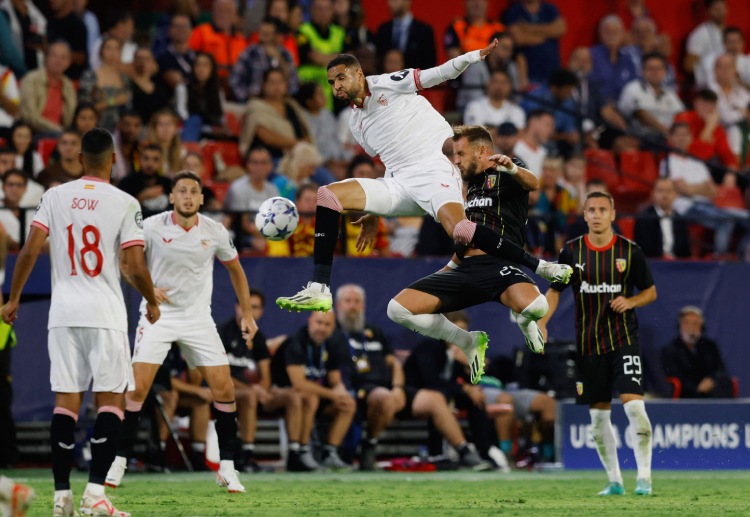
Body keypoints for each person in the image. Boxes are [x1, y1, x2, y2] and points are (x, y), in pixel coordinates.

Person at [275, 45, 572, 319]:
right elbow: (392, 162)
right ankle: (320, 287)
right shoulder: (355, 123)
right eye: (331, 82)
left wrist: (470, 57)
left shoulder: (387, 83)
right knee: (328, 195)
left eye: (341, 77)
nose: (336, 85)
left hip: (435, 171)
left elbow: (437, 75)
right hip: (401, 182)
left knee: (462, 231)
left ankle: (541, 266)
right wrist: (377, 212)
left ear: (359, 74)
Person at [1, 128, 160, 516]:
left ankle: (61, 498)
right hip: (104, 313)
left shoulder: (54, 196)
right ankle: (94, 496)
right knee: (110, 400)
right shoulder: (125, 202)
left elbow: (28, 251)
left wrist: (14, 298)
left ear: (78, 160)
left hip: (64, 313)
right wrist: (152, 300)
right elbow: (135, 265)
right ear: (112, 161)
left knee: (65, 403)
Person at [105, 170, 258, 493]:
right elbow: (124, 263)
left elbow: (237, 271)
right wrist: (148, 291)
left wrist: (247, 314)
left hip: (198, 318)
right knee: (137, 389)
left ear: (201, 198)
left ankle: (228, 468)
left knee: (225, 388)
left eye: (194, 191)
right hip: (158, 315)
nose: (188, 196)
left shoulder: (215, 231)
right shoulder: (150, 226)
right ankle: (118, 461)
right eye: (182, 191)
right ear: (171, 197)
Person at [388, 125, 557, 385]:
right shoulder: (467, 185)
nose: (456, 161)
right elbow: (467, 234)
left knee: (537, 307)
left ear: (481, 151)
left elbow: (534, 183)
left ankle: (527, 324)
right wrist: (449, 267)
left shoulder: (507, 168)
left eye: (460, 154)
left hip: (501, 265)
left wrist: (511, 168)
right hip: (467, 267)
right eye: (454, 155)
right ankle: (467, 340)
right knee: (397, 310)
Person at [538, 190, 657, 497]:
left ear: (613, 214)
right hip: (589, 345)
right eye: (591, 209)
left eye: (603, 209)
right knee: (598, 417)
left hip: (624, 341)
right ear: (585, 214)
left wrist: (630, 301)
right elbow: (554, 292)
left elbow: (650, 291)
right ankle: (615, 481)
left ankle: (644, 477)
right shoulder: (572, 252)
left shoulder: (630, 252)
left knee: (635, 410)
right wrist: (541, 321)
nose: (597, 214)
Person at [270, 310, 356, 470]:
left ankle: (329, 452)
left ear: (333, 327)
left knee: (348, 404)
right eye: (319, 322)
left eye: (327, 324)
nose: (322, 328)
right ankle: (301, 450)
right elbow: (298, 383)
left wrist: (340, 392)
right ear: (310, 321)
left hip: (312, 395)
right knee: (308, 397)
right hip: (281, 394)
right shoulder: (296, 341)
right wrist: (333, 395)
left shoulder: (331, 344)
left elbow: (334, 379)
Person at [334, 284, 405, 470]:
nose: (352, 306)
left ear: (363, 306)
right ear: (338, 305)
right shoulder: (331, 330)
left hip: (377, 387)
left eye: (357, 301)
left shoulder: (374, 332)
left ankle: (370, 443)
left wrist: (398, 387)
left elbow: (394, 363)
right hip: (349, 387)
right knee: (385, 398)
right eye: (347, 301)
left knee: (389, 399)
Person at [660, 305, 734, 399]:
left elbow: (720, 370)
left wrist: (711, 381)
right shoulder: (670, 349)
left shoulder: (710, 346)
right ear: (680, 326)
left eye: (695, 324)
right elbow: (673, 376)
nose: (690, 327)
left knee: (724, 384)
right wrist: (697, 388)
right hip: (686, 395)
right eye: (686, 323)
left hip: (711, 392)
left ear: (701, 327)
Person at [230, 16, 298, 104]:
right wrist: (247, 100)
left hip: (281, 104)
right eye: (261, 34)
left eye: (267, 35)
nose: (262, 39)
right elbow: (235, 82)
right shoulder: (250, 53)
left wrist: (280, 61)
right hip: (254, 103)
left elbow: (294, 86)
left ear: (278, 36)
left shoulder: (286, 55)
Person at [617, 52, 684, 140]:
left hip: (670, 138)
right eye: (650, 69)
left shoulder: (670, 93)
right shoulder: (633, 88)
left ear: (665, 72)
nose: (655, 72)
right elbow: (641, 115)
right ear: (642, 71)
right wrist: (667, 132)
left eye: (658, 69)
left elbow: (681, 115)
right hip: (643, 138)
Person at [502, 0, 566, 86]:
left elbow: (560, 29)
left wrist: (527, 28)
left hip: (552, 73)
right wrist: (548, 33)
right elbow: (520, 39)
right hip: (528, 74)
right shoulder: (514, 11)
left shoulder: (549, 9)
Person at [18, 41, 76, 135]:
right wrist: (57, 129)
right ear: (46, 58)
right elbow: (29, 116)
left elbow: (70, 118)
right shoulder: (31, 79)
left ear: (69, 62)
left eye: (63, 57)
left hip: (61, 132)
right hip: (34, 131)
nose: (58, 61)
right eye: (54, 56)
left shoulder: (68, 85)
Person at [634, 178, 691, 259]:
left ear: (676, 195)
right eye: (660, 190)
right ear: (653, 194)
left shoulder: (680, 220)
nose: (665, 194)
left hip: (677, 266)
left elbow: (685, 252)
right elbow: (644, 250)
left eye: (668, 191)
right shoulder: (644, 218)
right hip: (653, 265)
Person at [374, 0, 436, 71]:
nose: (390, 4)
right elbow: (378, 60)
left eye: (394, 1)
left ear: (407, 2)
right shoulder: (383, 29)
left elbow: (429, 64)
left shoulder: (424, 31)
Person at [117, 143, 173, 219]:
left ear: (161, 162)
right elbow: (120, 211)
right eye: (146, 158)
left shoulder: (169, 184)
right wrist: (142, 197)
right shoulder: (127, 183)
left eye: (155, 159)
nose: (150, 164)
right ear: (140, 160)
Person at [683, 0, 727, 76]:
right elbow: (688, 66)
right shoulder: (700, 34)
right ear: (708, 11)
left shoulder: (730, 32)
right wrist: (708, 77)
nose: (720, 12)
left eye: (722, 8)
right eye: (716, 9)